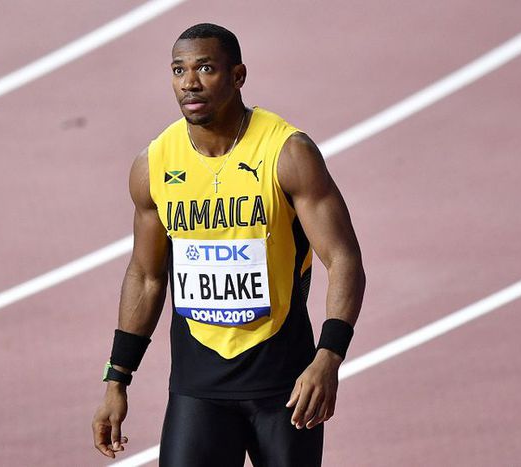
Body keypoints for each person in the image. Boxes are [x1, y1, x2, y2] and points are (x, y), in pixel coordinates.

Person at [92, 23, 365, 466]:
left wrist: (329, 357)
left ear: (238, 76)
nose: (189, 82)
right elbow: (146, 276)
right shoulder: (155, 164)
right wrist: (116, 379)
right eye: (178, 70)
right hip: (198, 388)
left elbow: (343, 258)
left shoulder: (286, 152)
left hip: (284, 386)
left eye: (205, 68)